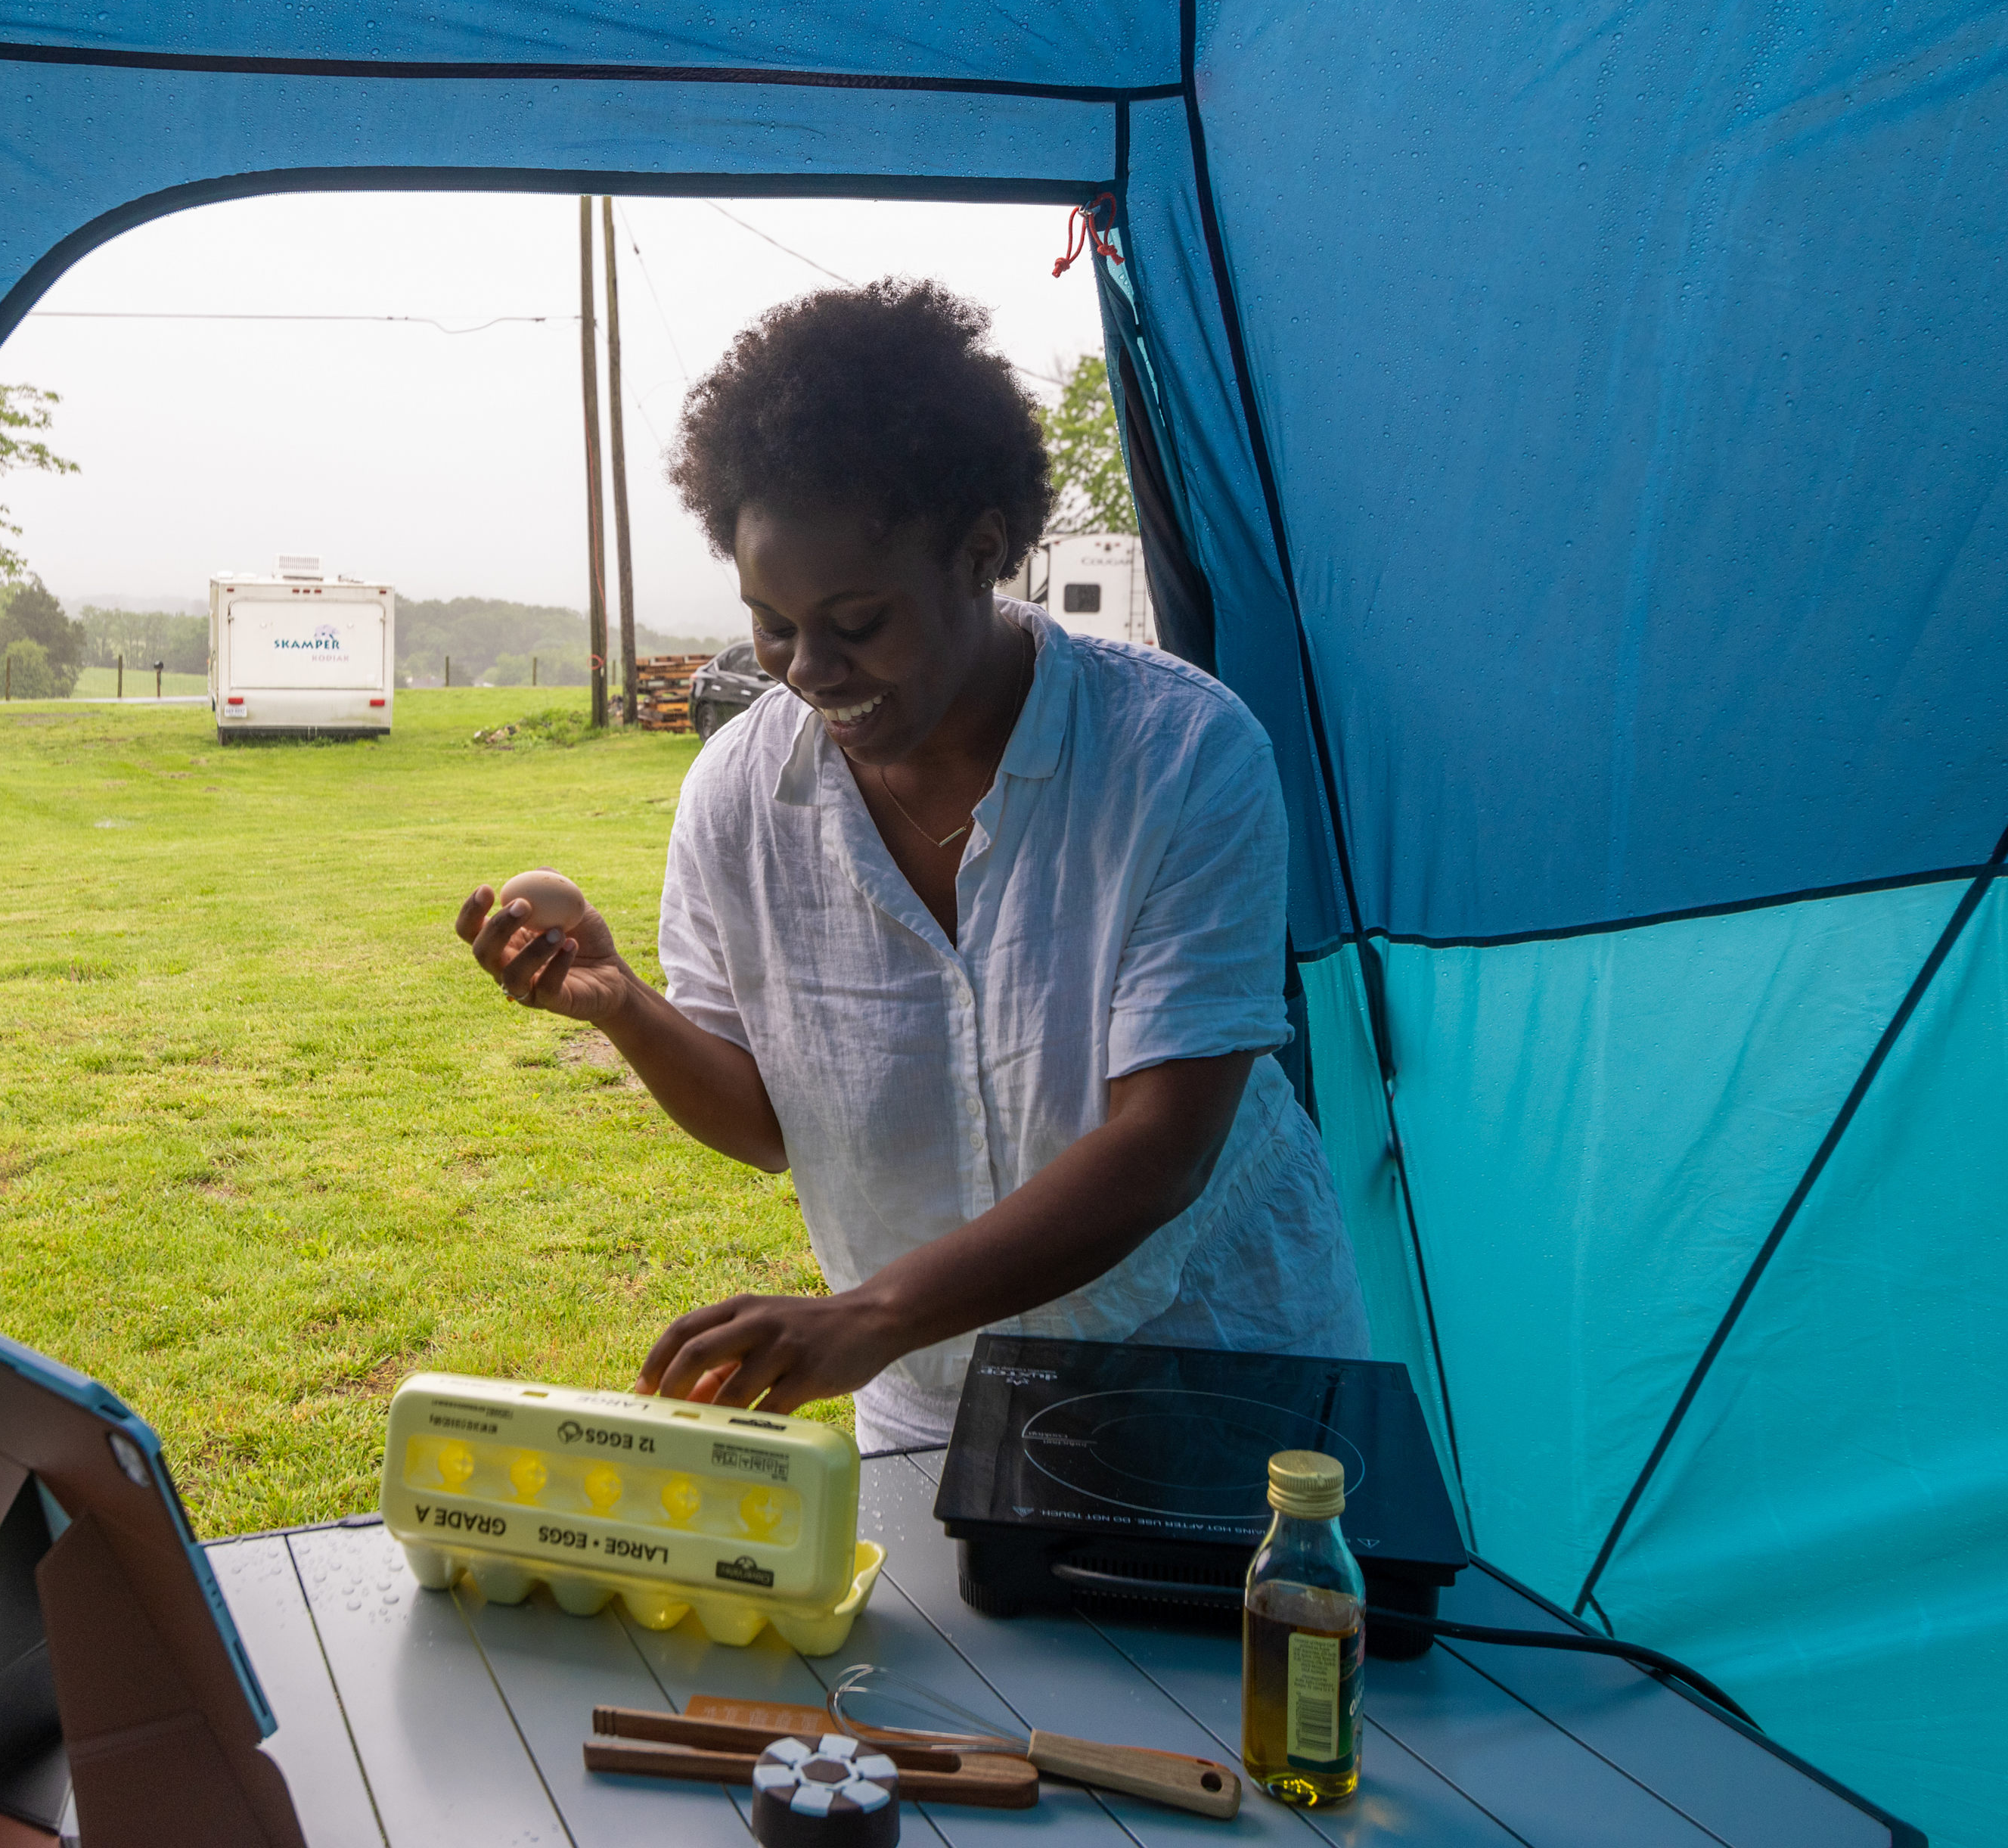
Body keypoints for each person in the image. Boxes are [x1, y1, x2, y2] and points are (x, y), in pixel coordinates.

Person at [453, 279, 1367, 1451]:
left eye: (857, 620)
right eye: (772, 624)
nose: (807, 669)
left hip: (1218, 1360)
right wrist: (620, 1002)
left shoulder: (1181, 756)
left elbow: (1163, 1147)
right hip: (931, 1399)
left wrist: (869, 1314)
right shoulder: (738, 798)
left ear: (981, 550)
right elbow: (771, 1122)